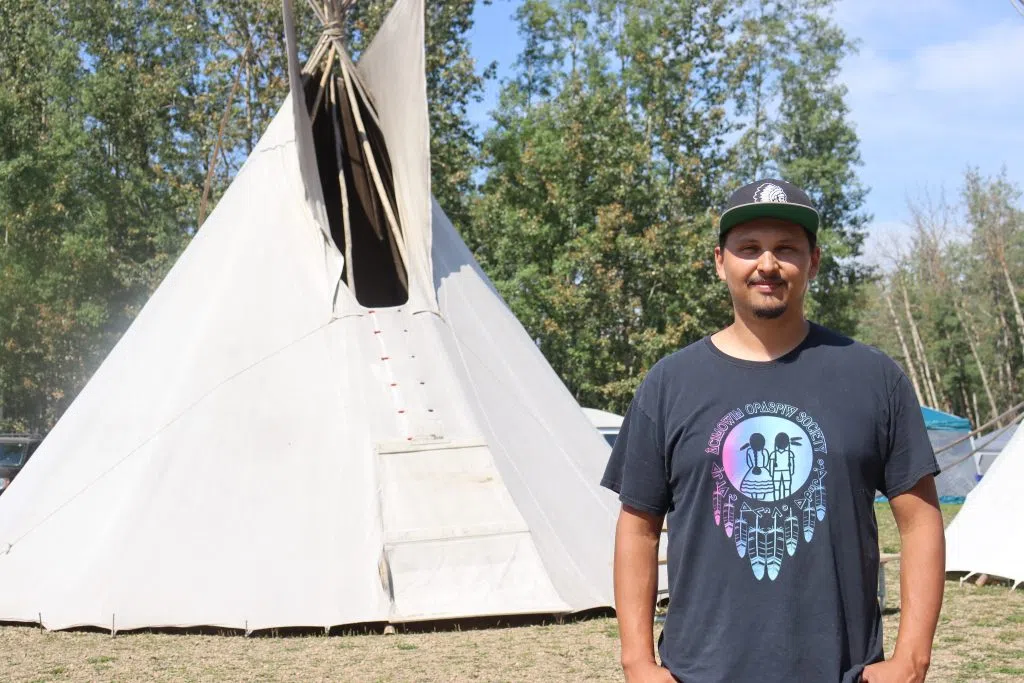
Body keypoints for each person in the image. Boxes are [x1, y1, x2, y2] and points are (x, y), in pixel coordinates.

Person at [601, 179, 945, 683]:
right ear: (720, 261)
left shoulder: (873, 377)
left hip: (839, 671)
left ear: (813, 262)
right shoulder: (669, 384)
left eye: (786, 248)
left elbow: (919, 522)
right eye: (749, 248)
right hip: (699, 672)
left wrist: (912, 657)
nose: (767, 264)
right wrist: (637, 661)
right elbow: (637, 527)